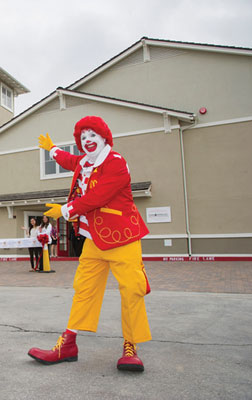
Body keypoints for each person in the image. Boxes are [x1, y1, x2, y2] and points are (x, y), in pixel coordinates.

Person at [28, 116, 151, 372]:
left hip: (123, 239)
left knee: (131, 290)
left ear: (104, 137)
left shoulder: (116, 163)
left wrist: (64, 211)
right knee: (84, 289)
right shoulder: (84, 162)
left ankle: (131, 345)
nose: (87, 141)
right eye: (83, 138)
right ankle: (68, 344)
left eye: (92, 135)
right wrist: (52, 149)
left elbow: (97, 197)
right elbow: (69, 160)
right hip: (94, 240)